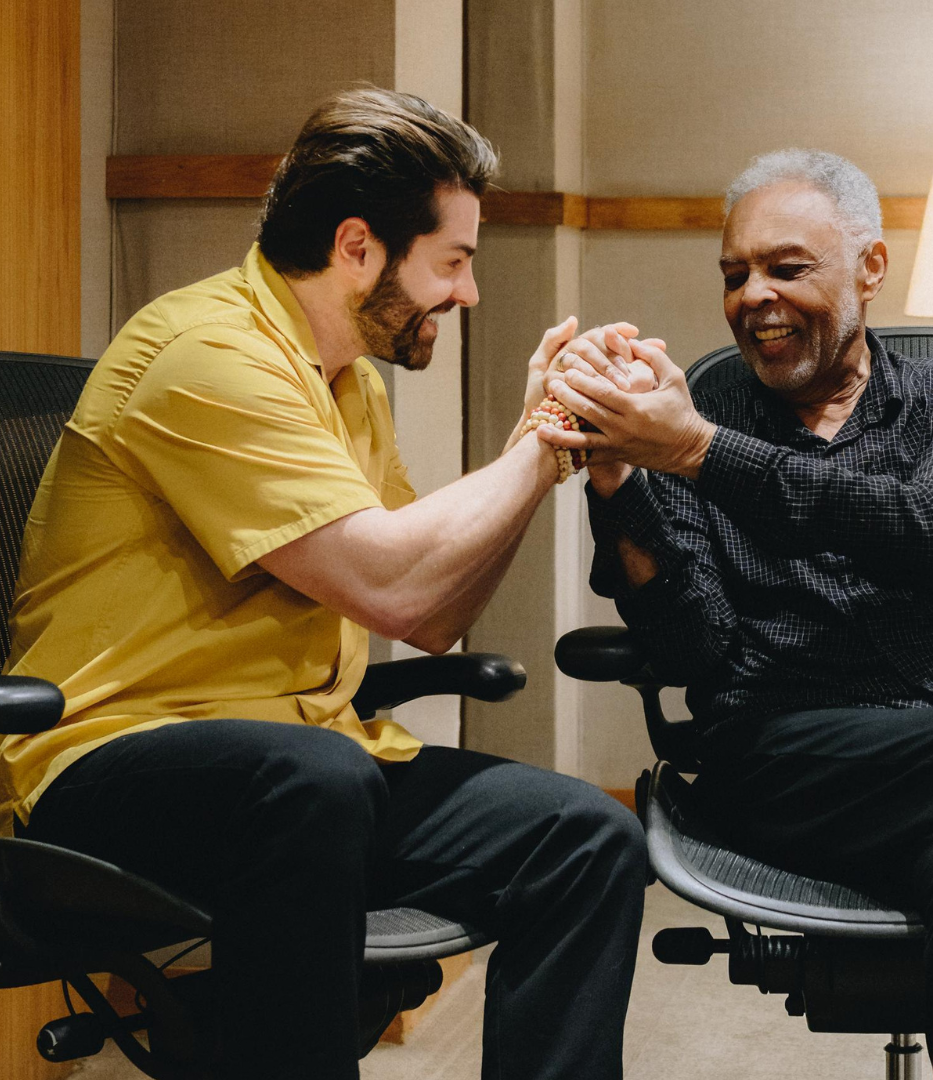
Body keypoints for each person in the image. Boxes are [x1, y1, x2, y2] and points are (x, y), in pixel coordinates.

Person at [0, 86, 649, 1080]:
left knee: (586, 837)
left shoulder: (349, 381)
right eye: (454, 261)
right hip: (112, 767)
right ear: (358, 247)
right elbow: (394, 584)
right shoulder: (208, 354)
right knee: (314, 784)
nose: (468, 293)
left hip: (308, 765)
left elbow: (433, 611)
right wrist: (546, 442)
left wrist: (540, 444)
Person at [539, 148, 933, 1058]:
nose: (753, 295)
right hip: (781, 759)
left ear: (869, 268)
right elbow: (692, 650)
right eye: (735, 274)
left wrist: (701, 455)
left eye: (786, 268)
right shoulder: (698, 411)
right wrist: (617, 477)